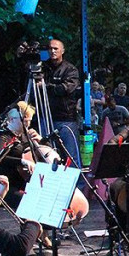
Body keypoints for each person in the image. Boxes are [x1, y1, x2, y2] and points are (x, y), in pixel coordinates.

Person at [41, 39, 82, 168]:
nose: (52, 51)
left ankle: (77, 185)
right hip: (46, 118)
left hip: (66, 118)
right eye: (50, 48)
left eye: (55, 49)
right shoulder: (43, 67)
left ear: (62, 51)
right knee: (45, 154)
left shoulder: (70, 70)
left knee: (71, 155)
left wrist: (46, 87)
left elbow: (67, 88)